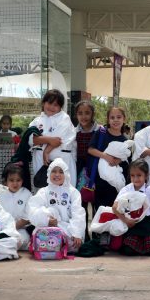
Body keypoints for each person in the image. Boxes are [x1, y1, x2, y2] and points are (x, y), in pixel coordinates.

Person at [112, 159, 150, 256]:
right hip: (132, 223)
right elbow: (114, 207)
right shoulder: (126, 189)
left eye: (139, 175)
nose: (135, 179)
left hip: (149, 222)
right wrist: (125, 220)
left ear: (146, 175)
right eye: (132, 175)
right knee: (129, 250)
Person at [27, 158, 85, 253]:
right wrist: (47, 220)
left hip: (67, 229)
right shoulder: (43, 192)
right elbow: (32, 211)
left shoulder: (73, 192)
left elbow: (78, 213)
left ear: (66, 174)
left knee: (73, 242)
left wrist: (77, 233)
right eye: (54, 171)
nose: (57, 175)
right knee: (49, 213)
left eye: (61, 172)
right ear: (49, 173)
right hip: (47, 228)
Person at [87, 106, 131, 213]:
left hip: (116, 185)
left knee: (115, 211)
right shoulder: (101, 133)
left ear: (124, 119)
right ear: (108, 120)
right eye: (112, 117)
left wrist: (118, 161)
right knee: (100, 211)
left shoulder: (126, 140)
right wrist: (106, 156)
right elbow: (90, 150)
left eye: (118, 117)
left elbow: (127, 159)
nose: (115, 120)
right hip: (100, 182)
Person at [29, 89, 77, 188]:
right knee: (42, 191)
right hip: (40, 161)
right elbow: (30, 139)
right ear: (43, 103)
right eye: (49, 103)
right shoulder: (37, 121)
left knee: (64, 190)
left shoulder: (64, 118)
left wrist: (46, 151)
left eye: (55, 105)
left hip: (62, 159)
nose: (51, 107)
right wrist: (49, 140)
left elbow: (58, 140)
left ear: (60, 107)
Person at [73, 100, 100, 239]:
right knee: (81, 204)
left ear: (92, 114)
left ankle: (96, 235)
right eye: (80, 113)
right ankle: (83, 235)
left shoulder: (100, 130)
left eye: (87, 113)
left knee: (96, 203)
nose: (84, 116)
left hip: (96, 170)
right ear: (76, 115)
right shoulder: (73, 132)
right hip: (79, 170)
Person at [0, 163, 32, 251]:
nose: (15, 183)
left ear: (22, 181)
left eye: (18, 180)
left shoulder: (27, 194)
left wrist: (11, 229)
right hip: (3, 230)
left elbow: (26, 218)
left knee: (17, 240)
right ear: (5, 181)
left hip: (21, 230)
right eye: (11, 180)